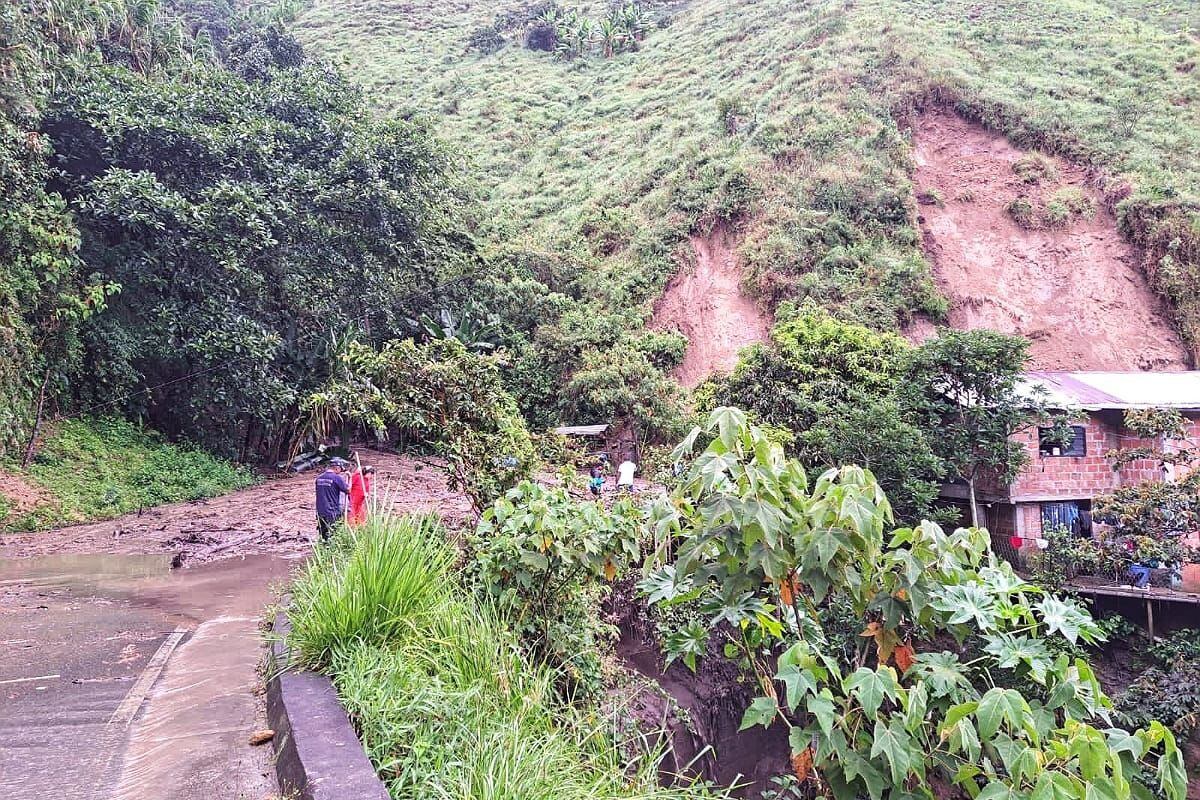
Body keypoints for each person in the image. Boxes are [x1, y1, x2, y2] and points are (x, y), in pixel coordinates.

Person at [315, 457, 351, 542]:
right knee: (333, 534)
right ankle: (331, 552)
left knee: (323, 535)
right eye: (340, 469)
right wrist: (350, 478)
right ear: (336, 467)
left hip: (320, 511)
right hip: (332, 511)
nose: (340, 471)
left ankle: (322, 551)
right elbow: (348, 490)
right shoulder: (336, 478)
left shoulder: (319, 478)